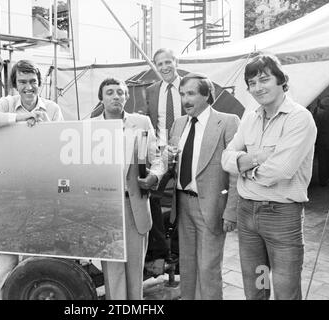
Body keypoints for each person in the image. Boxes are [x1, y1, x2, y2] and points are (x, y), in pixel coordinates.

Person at [221, 53, 317, 300]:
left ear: (281, 80)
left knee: (285, 292)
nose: (257, 88)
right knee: (257, 287)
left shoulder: (299, 118)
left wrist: (243, 168)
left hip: (281, 218)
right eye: (252, 83)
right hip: (248, 216)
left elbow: (280, 171)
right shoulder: (250, 118)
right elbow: (225, 158)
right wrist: (255, 159)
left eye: (264, 80)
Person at [0, 59, 64, 299]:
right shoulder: (7, 104)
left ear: (39, 83)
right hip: (11, 194)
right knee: (6, 263)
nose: (28, 87)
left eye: (33, 81)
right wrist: (19, 119)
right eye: (22, 82)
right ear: (15, 84)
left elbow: (60, 149)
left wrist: (47, 130)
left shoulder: (52, 109)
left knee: (35, 261)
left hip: (40, 192)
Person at [166, 73, 239, 300]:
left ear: (206, 95)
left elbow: (235, 172)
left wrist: (231, 211)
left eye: (191, 93)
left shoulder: (228, 122)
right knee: (187, 267)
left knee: (208, 268)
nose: (185, 100)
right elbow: (173, 163)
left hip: (211, 206)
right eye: (182, 94)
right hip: (183, 204)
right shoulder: (178, 124)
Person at [92, 78, 165, 299]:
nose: (116, 96)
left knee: (135, 267)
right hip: (105, 207)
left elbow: (157, 158)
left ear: (127, 97)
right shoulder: (90, 126)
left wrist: (154, 176)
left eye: (120, 93)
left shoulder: (141, 122)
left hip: (135, 203)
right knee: (113, 270)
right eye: (110, 92)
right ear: (101, 98)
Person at [143, 48, 185, 263]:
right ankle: (160, 249)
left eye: (168, 62)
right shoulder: (151, 90)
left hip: (186, 150)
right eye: (160, 64)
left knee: (184, 198)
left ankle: (178, 251)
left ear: (176, 61)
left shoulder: (189, 87)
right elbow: (151, 123)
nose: (165, 67)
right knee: (152, 195)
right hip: (161, 154)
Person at [314, 96, 329, 186]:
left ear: (323, 105)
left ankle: (323, 181)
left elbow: (317, 130)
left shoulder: (319, 116)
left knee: (323, 163)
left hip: (322, 143)